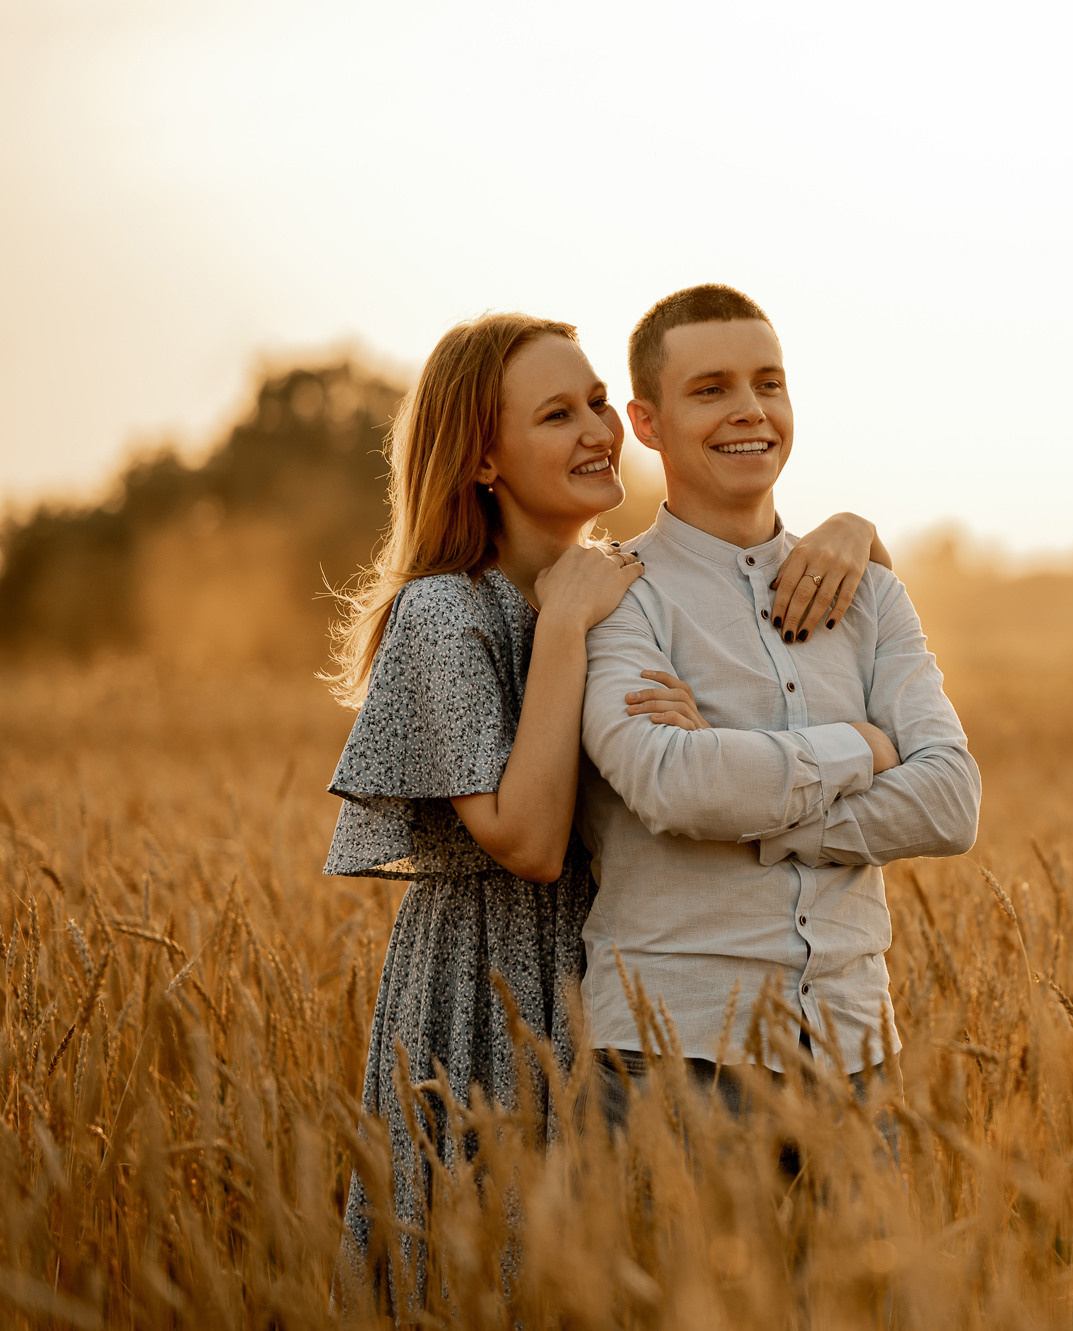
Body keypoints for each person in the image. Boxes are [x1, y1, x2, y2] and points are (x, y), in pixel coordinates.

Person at [319, 311, 889, 1311]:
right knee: (490, 1273)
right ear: (482, 456)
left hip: (632, 973)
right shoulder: (446, 612)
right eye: (555, 414)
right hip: (492, 987)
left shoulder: (631, 586)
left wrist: (853, 532)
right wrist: (565, 630)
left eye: (595, 404)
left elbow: (728, 746)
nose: (595, 431)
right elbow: (529, 840)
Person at [576, 284, 981, 1128]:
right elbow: (672, 786)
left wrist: (757, 806)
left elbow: (951, 800)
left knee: (872, 1270)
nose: (750, 410)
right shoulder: (615, 594)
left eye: (769, 381)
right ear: (647, 423)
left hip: (857, 1044)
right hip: (675, 1047)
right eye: (711, 388)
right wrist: (863, 746)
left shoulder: (871, 594)